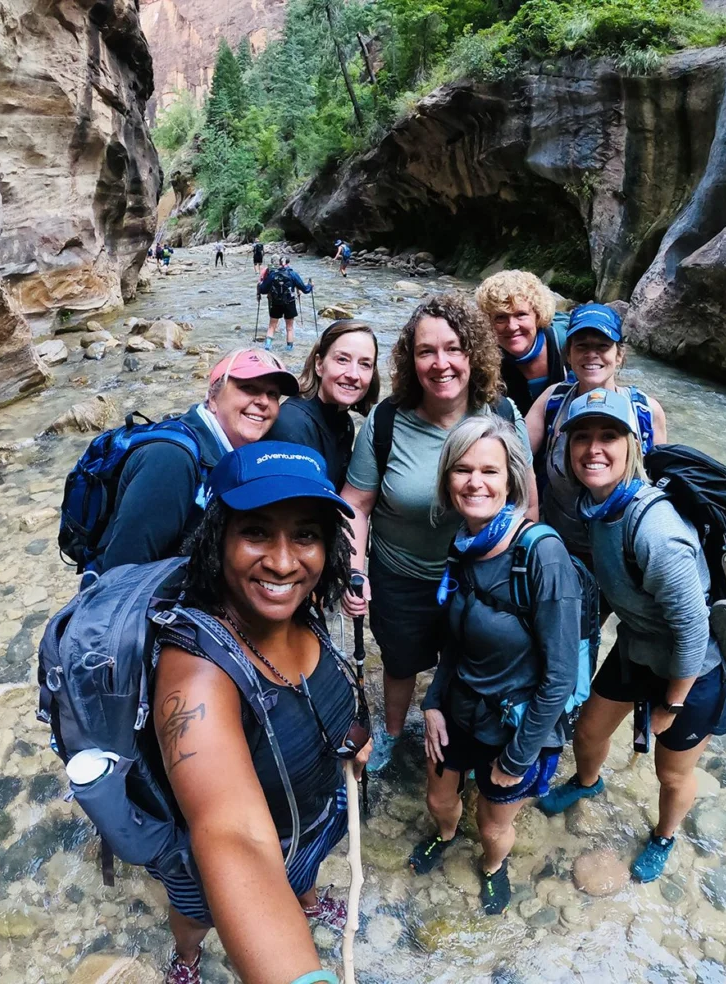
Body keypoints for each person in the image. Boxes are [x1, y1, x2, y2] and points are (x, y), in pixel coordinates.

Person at [152, 441, 370, 984]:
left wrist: (354, 734)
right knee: (197, 910)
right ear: (217, 538)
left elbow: (316, 696)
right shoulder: (197, 671)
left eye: (305, 534)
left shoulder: (301, 603)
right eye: (255, 532)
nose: (282, 560)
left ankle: (308, 899)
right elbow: (234, 837)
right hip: (219, 861)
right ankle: (187, 957)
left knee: (303, 873)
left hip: (310, 819)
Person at [535, 388, 726, 884]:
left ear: (632, 447)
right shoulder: (596, 506)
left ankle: (665, 836)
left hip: (696, 668)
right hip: (638, 647)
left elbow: (693, 628)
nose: (593, 449)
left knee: (671, 773)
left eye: (609, 436)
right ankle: (587, 782)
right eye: (581, 437)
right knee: (588, 731)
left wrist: (670, 704)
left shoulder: (656, 529)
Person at [340, 293, 537, 772]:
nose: (440, 363)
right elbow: (355, 503)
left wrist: (518, 574)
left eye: (453, 349)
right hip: (400, 574)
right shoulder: (387, 420)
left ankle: (457, 741)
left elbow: (526, 505)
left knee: (469, 668)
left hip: (477, 577)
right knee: (401, 661)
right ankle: (389, 733)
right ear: (412, 359)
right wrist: (354, 569)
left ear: (474, 353)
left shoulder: (503, 417)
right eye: (426, 351)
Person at [409, 414, 584, 915]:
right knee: (439, 800)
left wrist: (518, 757)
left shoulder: (541, 555)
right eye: (462, 470)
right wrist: (434, 703)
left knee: (493, 824)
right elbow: (455, 642)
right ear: (447, 479)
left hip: (515, 727)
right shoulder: (465, 543)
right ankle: (444, 837)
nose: (474, 483)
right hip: (460, 709)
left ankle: (491, 867)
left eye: (488, 471)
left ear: (510, 479)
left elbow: (560, 676)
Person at [96, 348, 298, 572]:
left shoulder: (234, 451)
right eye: (248, 388)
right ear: (213, 397)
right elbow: (121, 577)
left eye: (272, 394)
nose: (263, 402)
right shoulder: (170, 460)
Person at [525, 303, 668, 566]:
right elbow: (515, 457)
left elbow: (662, 487)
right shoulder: (552, 401)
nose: (592, 354)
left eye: (602, 346)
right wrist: (529, 523)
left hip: (625, 555)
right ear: (568, 354)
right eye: (582, 346)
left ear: (619, 355)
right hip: (560, 548)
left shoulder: (646, 412)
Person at [267, 320, 380, 490]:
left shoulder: (343, 422)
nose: (353, 374)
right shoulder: (291, 426)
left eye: (365, 364)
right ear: (319, 365)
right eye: (342, 359)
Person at [475, 270, 567, 415]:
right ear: (488, 322)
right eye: (500, 317)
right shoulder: (483, 358)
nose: (512, 326)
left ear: (538, 315)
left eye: (521, 315)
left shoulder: (566, 342)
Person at [258, 259, 313, 353]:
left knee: (271, 326)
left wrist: (259, 284)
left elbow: (263, 290)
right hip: (289, 303)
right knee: (290, 328)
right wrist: (310, 285)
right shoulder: (293, 274)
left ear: (279, 264)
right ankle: (289, 350)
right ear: (288, 263)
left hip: (276, 303)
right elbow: (305, 290)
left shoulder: (273, 274)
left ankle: (267, 347)